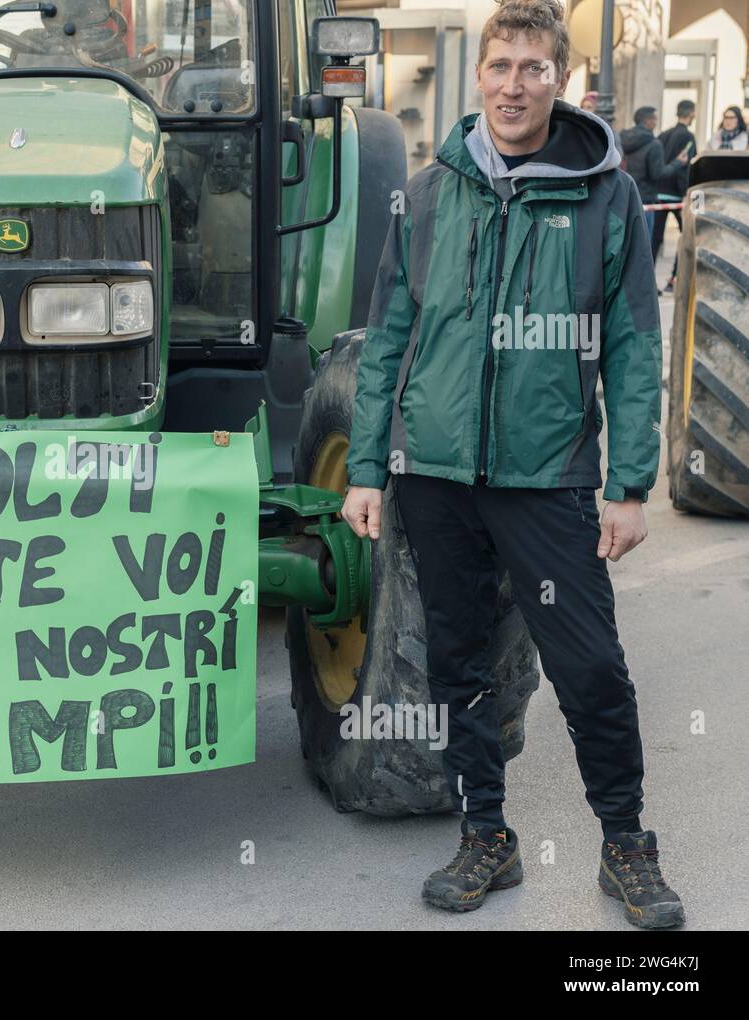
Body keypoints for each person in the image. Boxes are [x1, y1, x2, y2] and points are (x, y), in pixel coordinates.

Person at [342, 0, 683, 929]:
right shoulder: (428, 190)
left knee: (591, 669)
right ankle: (485, 835)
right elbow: (389, 340)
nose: (514, 85)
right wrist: (368, 467)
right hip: (437, 476)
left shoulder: (604, 194)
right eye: (500, 67)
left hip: (548, 477)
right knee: (456, 663)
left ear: (560, 81)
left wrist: (629, 485)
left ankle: (626, 848)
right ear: (478, 76)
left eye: (534, 68)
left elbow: (631, 345)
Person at [619, 106, 688, 239]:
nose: (656, 123)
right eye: (655, 119)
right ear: (649, 121)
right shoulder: (654, 144)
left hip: (625, 197)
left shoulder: (622, 139)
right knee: (643, 243)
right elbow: (658, 174)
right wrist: (678, 162)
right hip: (645, 199)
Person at [654, 100, 696, 291]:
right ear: (691, 114)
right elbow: (686, 168)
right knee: (688, 237)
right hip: (677, 197)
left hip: (659, 195)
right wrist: (685, 193)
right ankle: (674, 279)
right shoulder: (688, 137)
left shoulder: (663, 135)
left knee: (654, 240)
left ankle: (649, 283)